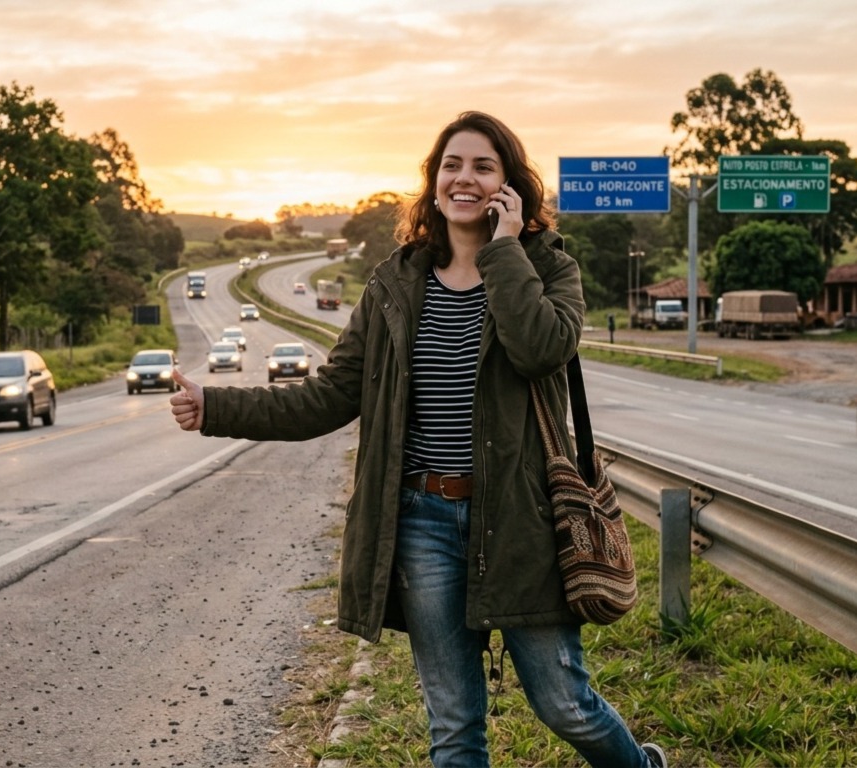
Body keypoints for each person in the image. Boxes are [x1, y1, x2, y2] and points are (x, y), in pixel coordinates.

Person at [168, 111, 666, 768]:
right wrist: (214, 405)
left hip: (524, 523)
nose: (465, 178)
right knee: (454, 723)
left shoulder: (547, 269)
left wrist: (506, 248)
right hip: (424, 522)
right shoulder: (394, 285)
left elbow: (543, 348)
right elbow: (329, 396)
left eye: (483, 167)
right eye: (451, 166)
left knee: (563, 702)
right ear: (434, 182)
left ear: (509, 185)